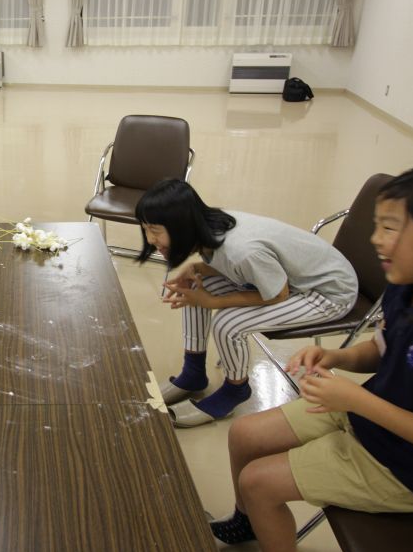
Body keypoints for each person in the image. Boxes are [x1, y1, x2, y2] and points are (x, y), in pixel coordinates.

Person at [210, 164, 413, 552]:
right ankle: (250, 522)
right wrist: (339, 357)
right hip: (370, 417)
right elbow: (384, 349)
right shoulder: (408, 285)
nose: (375, 239)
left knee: (258, 482)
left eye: (391, 228)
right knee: (245, 435)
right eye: (378, 225)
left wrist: (357, 402)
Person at [136, 179, 358, 427]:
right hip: (292, 279)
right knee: (195, 285)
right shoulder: (212, 224)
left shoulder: (242, 250)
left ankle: (236, 389)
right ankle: (194, 373)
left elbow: (277, 294)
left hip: (328, 292)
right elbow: (235, 268)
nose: (149, 238)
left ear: (182, 225)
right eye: (145, 229)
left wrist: (212, 302)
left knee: (229, 324)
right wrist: (197, 268)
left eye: (155, 230)